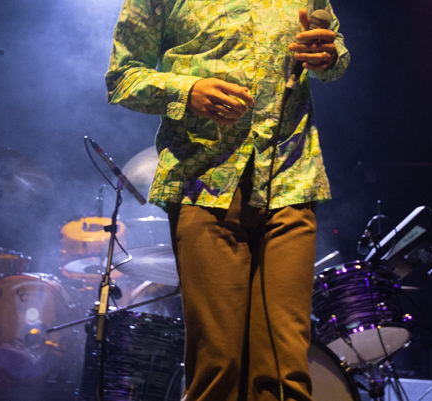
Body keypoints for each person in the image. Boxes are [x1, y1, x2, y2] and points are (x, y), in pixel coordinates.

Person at [105, 0, 349, 400]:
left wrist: (329, 56)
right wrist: (188, 91)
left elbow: (333, 53)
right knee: (217, 367)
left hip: (290, 180)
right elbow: (121, 78)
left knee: (287, 370)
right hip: (204, 183)